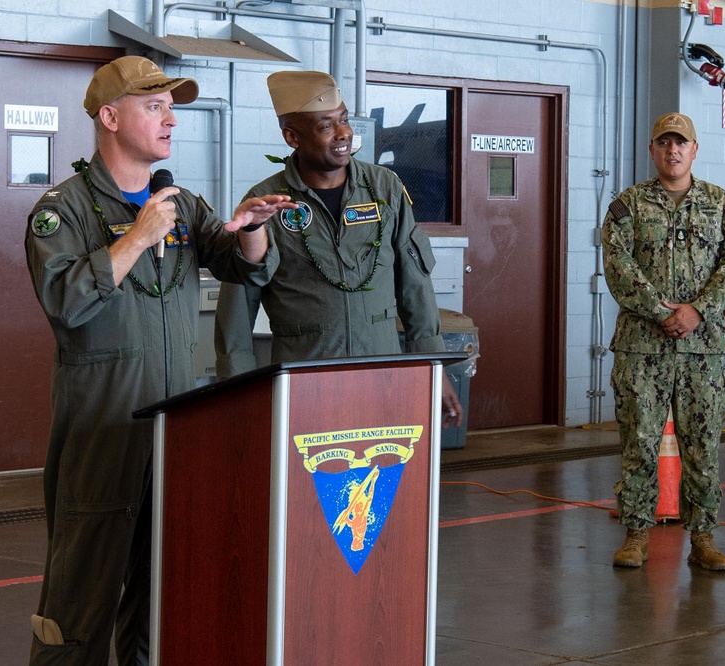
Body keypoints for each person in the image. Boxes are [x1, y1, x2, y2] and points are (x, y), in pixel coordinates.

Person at [24, 55, 295, 664]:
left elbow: (238, 263)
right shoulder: (61, 210)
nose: (172, 118)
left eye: (173, 106)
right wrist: (136, 237)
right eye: (156, 106)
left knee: (158, 607)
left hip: (174, 437)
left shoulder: (179, 203)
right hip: (103, 436)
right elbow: (65, 301)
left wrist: (251, 229)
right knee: (77, 608)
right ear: (111, 117)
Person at [213, 70, 463, 425]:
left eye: (344, 120)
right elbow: (238, 305)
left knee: (385, 475)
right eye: (326, 125)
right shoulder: (265, 203)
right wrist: (234, 389)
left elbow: (415, 286)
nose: (344, 133)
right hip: (304, 388)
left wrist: (433, 368)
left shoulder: (384, 188)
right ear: (292, 136)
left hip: (383, 379)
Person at [602, 112, 725, 571]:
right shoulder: (627, 206)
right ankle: (636, 534)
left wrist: (696, 310)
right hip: (642, 347)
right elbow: (617, 267)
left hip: (702, 349)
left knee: (703, 445)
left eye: (680, 143)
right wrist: (661, 310)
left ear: (695, 150)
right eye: (664, 143)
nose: (673, 151)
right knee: (639, 441)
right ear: (652, 151)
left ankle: (703, 538)